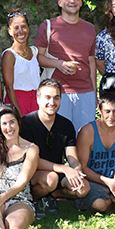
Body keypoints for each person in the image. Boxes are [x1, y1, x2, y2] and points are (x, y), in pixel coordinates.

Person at [20, 79, 90, 212]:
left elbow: (72, 157)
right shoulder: (26, 124)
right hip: (32, 173)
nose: (52, 102)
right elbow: (29, 161)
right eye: (47, 97)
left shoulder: (66, 125)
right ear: (38, 99)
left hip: (57, 173)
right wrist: (64, 169)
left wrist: (77, 171)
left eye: (56, 98)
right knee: (51, 179)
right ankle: (30, 200)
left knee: (83, 188)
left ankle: (52, 196)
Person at [34, 0, 97, 130]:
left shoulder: (90, 28)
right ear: (60, 2)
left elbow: (91, 61)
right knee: (59, 138)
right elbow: (39, 57)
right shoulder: (48, 26)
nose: (72, 1)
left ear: (81, 2)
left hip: (85, 92)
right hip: (57, 93)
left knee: (84, 138)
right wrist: (58, 64)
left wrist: (94, 93)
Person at [1, 11, 40, 116]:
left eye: (23, 27)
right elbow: (9, 87)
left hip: (36, 100)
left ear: (28, 28)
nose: (20, 31)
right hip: (18, 101)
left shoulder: (34, 51)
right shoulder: (9, 55)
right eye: (16, 28)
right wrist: (18, 112)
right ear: (9, 31)